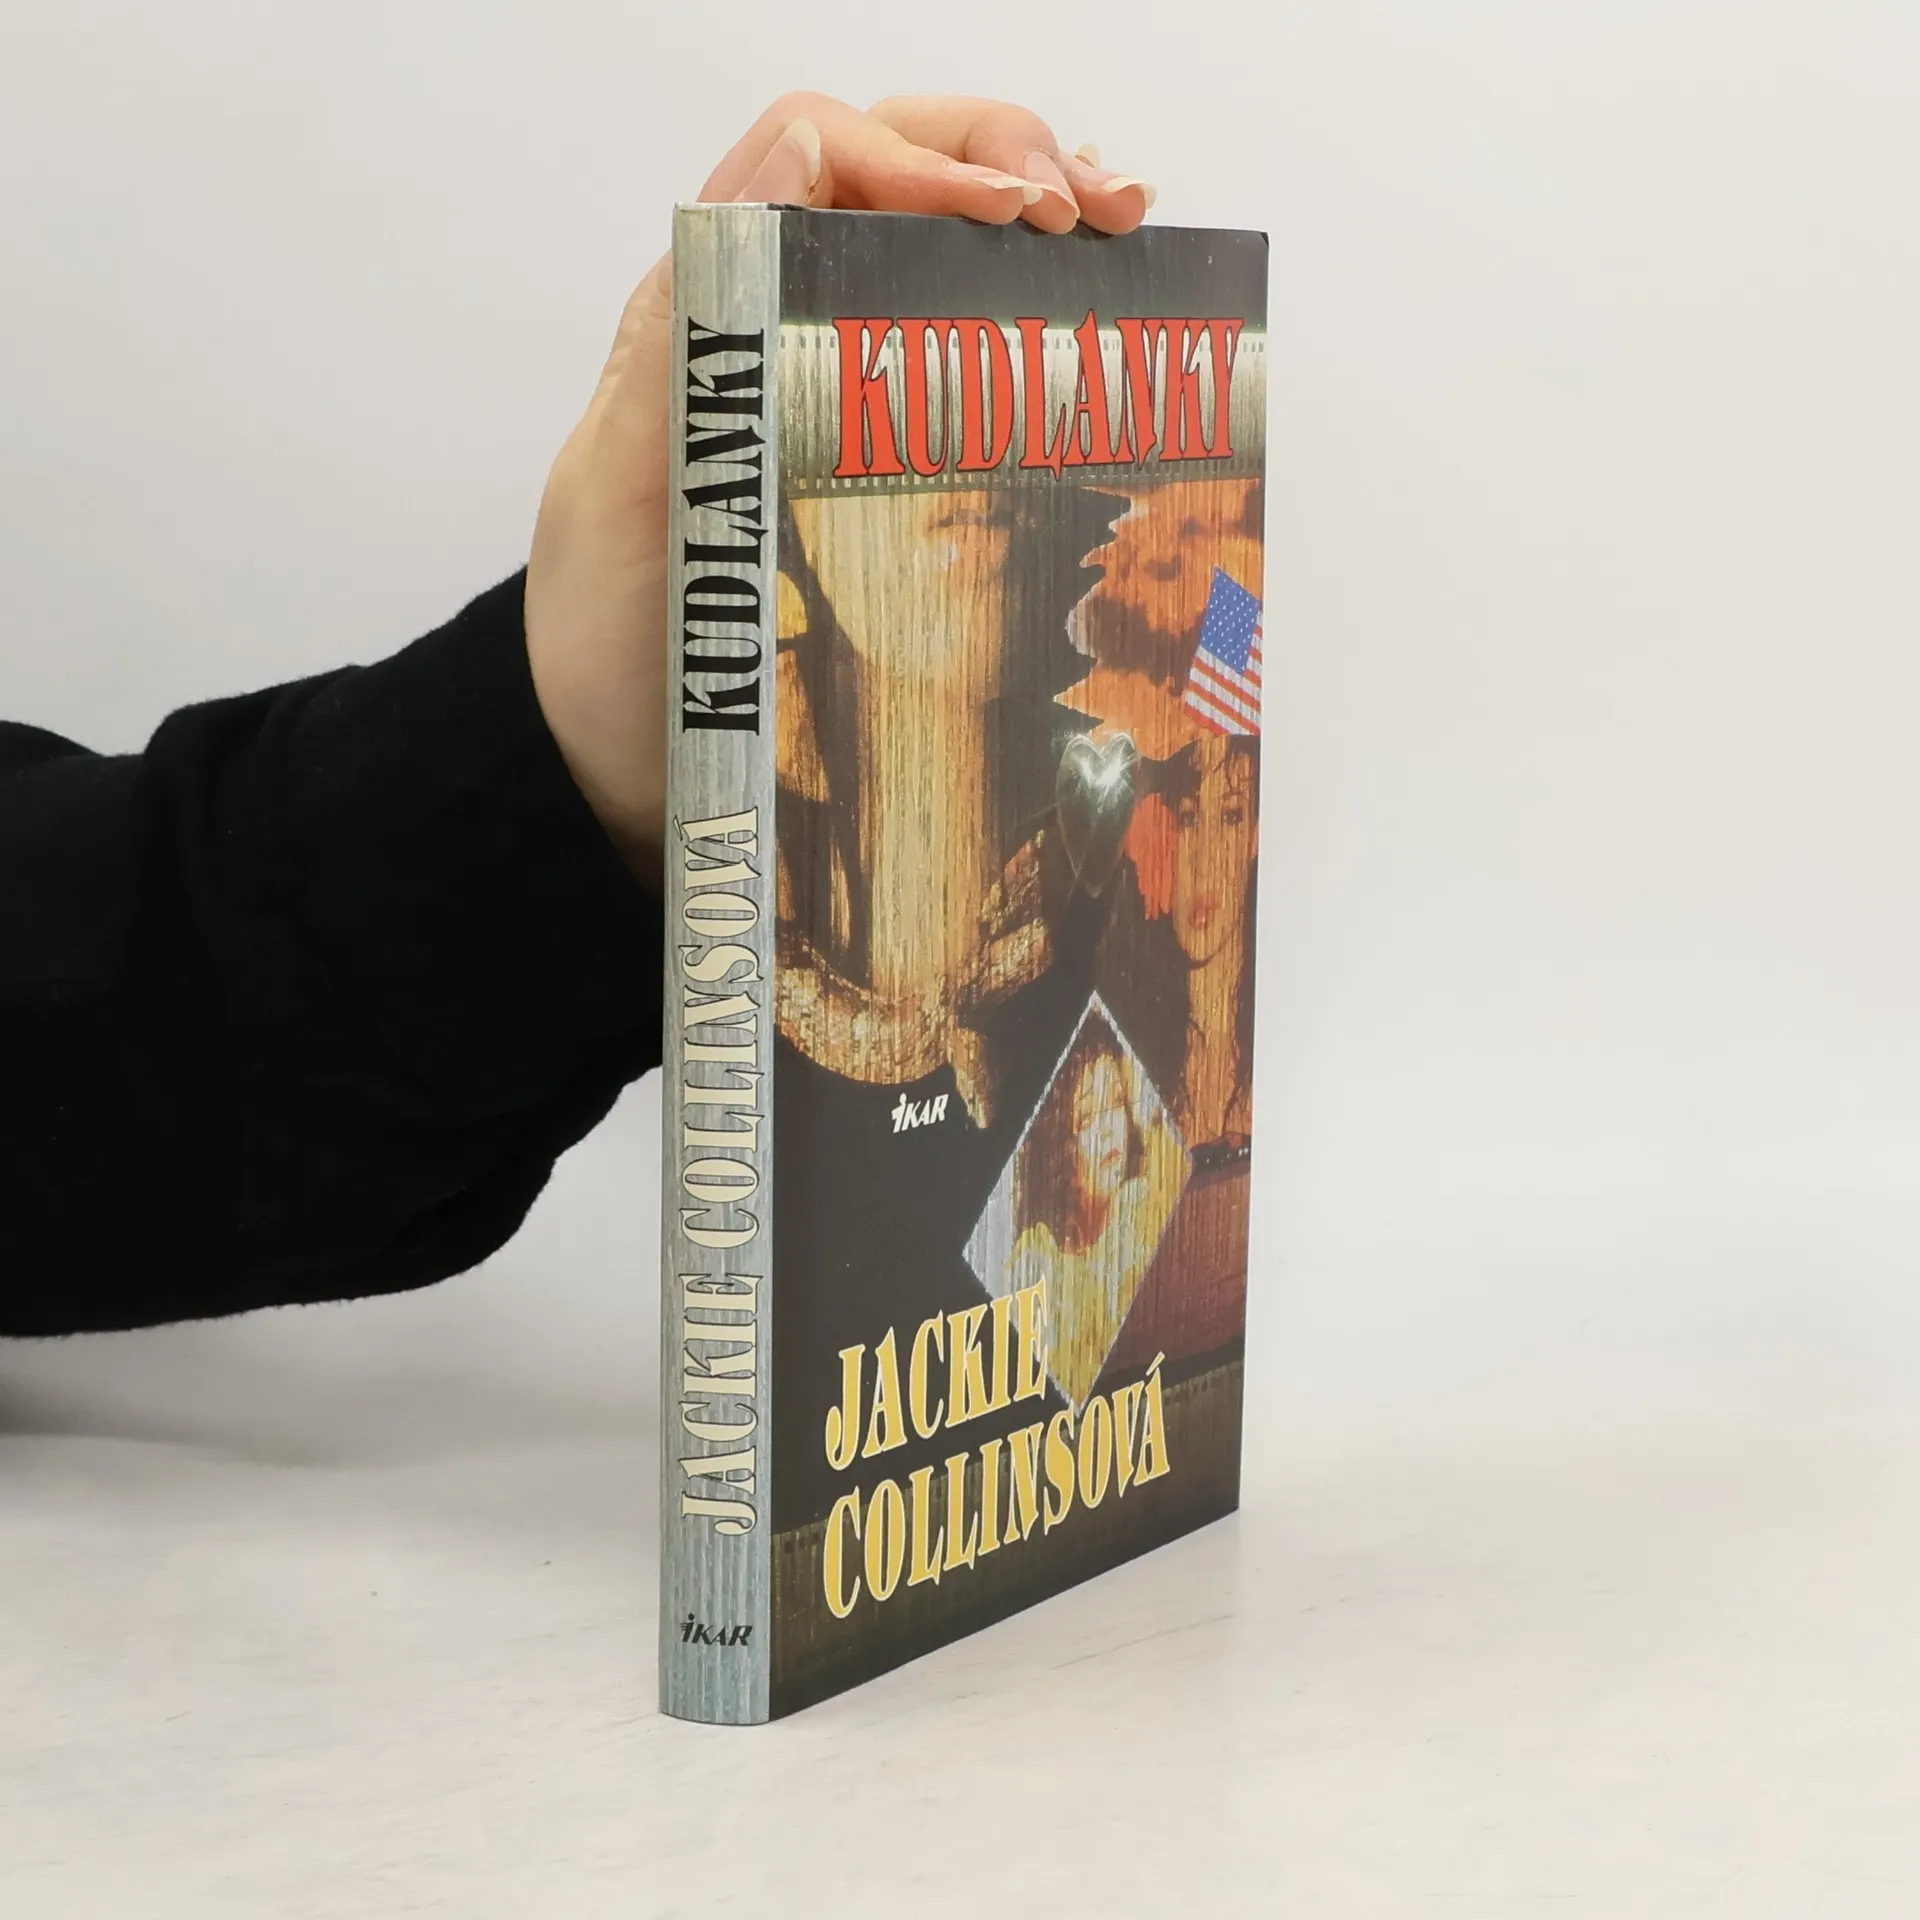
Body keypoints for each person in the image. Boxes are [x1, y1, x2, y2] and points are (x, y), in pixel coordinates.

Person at [0, 94, 1154, 1340]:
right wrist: (557, 773)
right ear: (794, 531)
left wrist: (554, 751)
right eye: (890, 417)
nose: (960, 477)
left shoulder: (1115, 870)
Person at [1005, 1018, 1187, 1406]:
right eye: (1087, 1118)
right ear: (1059, 1146)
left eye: (1117, 1103)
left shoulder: (1141, 1206)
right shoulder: (1038, 1262)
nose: (1108, 1129)